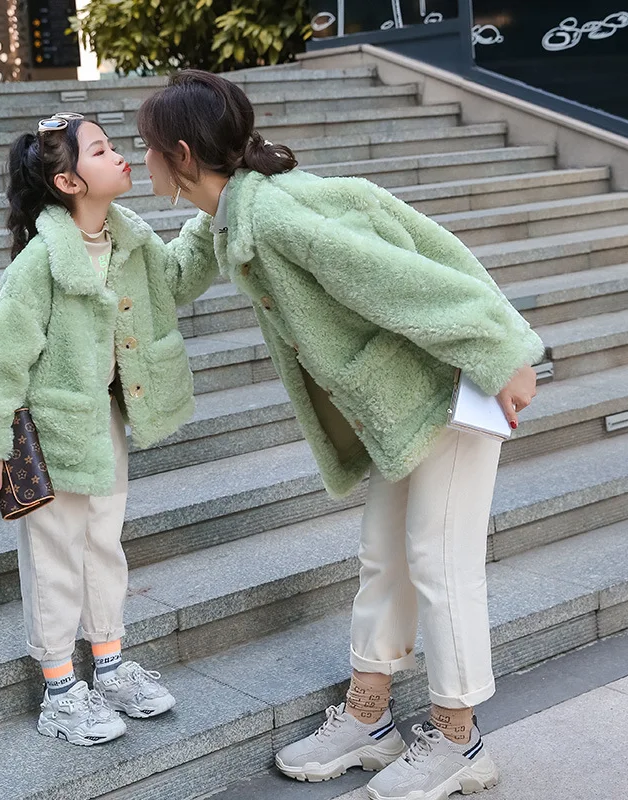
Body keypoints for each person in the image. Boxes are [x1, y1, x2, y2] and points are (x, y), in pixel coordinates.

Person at [135, 71, 543, 798]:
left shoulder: (277, 216)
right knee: (384, 557)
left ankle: (459, 740)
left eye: (146, 148)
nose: (141, 161)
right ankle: (368, 718)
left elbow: (404, 280)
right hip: (395, 406)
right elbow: (166, 279)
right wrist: (88, 222)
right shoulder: (228, 216)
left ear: (182, 155)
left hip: (447, 389)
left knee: (439, 561)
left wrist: (501, 353)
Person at [0, 112, 217, 746]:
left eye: (113, 146)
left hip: (105, 423)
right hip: (50, 433)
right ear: (69, 182)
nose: (120, 156)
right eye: (101, 150)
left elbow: (177, 276)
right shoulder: (41, 262)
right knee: (55, 556)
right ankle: (61, 690)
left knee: (103, 543)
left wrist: (216, 210)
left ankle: (111, 666)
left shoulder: (130, 241)